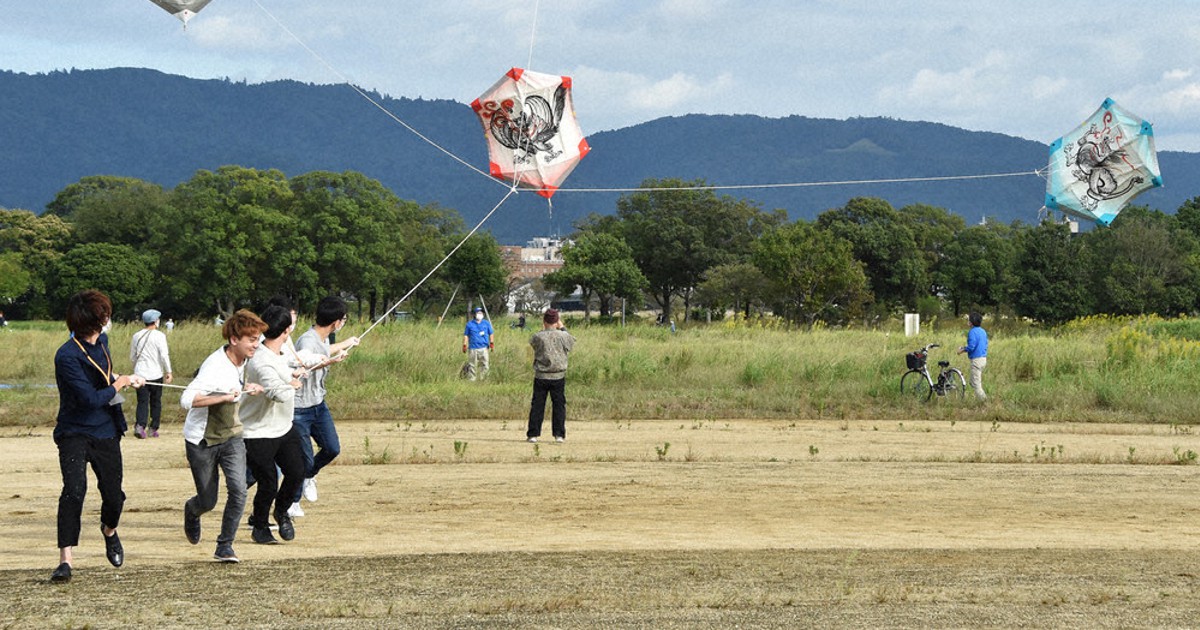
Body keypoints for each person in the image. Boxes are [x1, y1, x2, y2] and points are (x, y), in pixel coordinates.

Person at [50, 289, 144, 583]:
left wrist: (120, 378)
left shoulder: (101, 343)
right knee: (74, 491)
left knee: (114, 495)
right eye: (105, 315)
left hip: (106, 429)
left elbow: (102, 376)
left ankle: (110, 531)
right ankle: (66, 559)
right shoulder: (66, 356)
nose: (108, 319)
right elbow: (90, 398)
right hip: (74, 431)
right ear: (92, 321)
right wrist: (121, 384)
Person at [180, 310, 267, 563]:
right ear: (234, 340)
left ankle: (225, 546)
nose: (256, 344)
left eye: (258, 338)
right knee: (208, 501)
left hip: (232, 437)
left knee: (239, 490)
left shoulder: (247, 360)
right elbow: (186, 400)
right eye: (251, 339)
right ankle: (192, 510)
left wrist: (246, 389)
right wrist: (224, 397)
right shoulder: (214, 366)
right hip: (202, 440)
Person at [240, 306, 305, 545]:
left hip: (283, 427)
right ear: (287, 329)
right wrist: (293, 385)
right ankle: (259, 526)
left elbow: (296, 363)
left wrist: (323, 361)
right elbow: (278, 394)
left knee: (298, 471)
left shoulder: (282, 353)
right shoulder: (260, 360)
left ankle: (282, 511)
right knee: (268, 482)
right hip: (257, 432)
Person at [290, 296, 360, 516]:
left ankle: (309, 476)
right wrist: (331, 360)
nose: (343, 323)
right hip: (299, 408)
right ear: (336, 322)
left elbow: (325, 350)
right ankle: (292, 501)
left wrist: (348, 342)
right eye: (344, 319)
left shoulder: (323, 338)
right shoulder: (306, 340)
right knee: (304, 458)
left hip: (318, 405)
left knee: (332, 448)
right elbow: (309, 360)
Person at [526, 309, 575, 443]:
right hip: (558, 376)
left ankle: (533, 434)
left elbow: (534, 344)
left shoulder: (538, 336)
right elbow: (571, 342)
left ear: (544, 321)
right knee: (559, 405)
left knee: (537, 405)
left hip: (541, 375)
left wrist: (544, 329)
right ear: (557, 320)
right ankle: (559, 434)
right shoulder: (563, 336)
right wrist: (562, 327)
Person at [130, 309, 173, 439]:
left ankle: (140, 425)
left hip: (140, 373)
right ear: (155, 321)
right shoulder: (160, 336)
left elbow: (133, 356)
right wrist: (169, 371)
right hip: (155, 373)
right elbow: (164, 355)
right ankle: (153, 427)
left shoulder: (136, 336)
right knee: (156, 401)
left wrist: (135, 370)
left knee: (142, 401)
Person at [957, 311, 989, 401]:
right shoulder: (983, 331)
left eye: (968, 320)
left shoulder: (972, 332)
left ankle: (985, 402)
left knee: (976, 384)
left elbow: (971, 347)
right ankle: (977, 398)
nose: (967, 321)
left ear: (971, 322)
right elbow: (985, 343)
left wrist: (962, 350)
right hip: (983, 359)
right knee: (972, 381)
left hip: (976, 360)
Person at [462, 306, 494, 381]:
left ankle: (484, 379)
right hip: (473, 348)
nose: (480, 314)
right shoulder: (469, 324)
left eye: (481, 313)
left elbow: (491, 333)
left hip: (484, 347)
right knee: (472, 364)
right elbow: (466, 335)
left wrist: (492, 343)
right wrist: (464, 344)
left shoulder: (486, 323)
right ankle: (472, 380)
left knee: (485, 364)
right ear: (475, 314)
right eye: (478, 313)